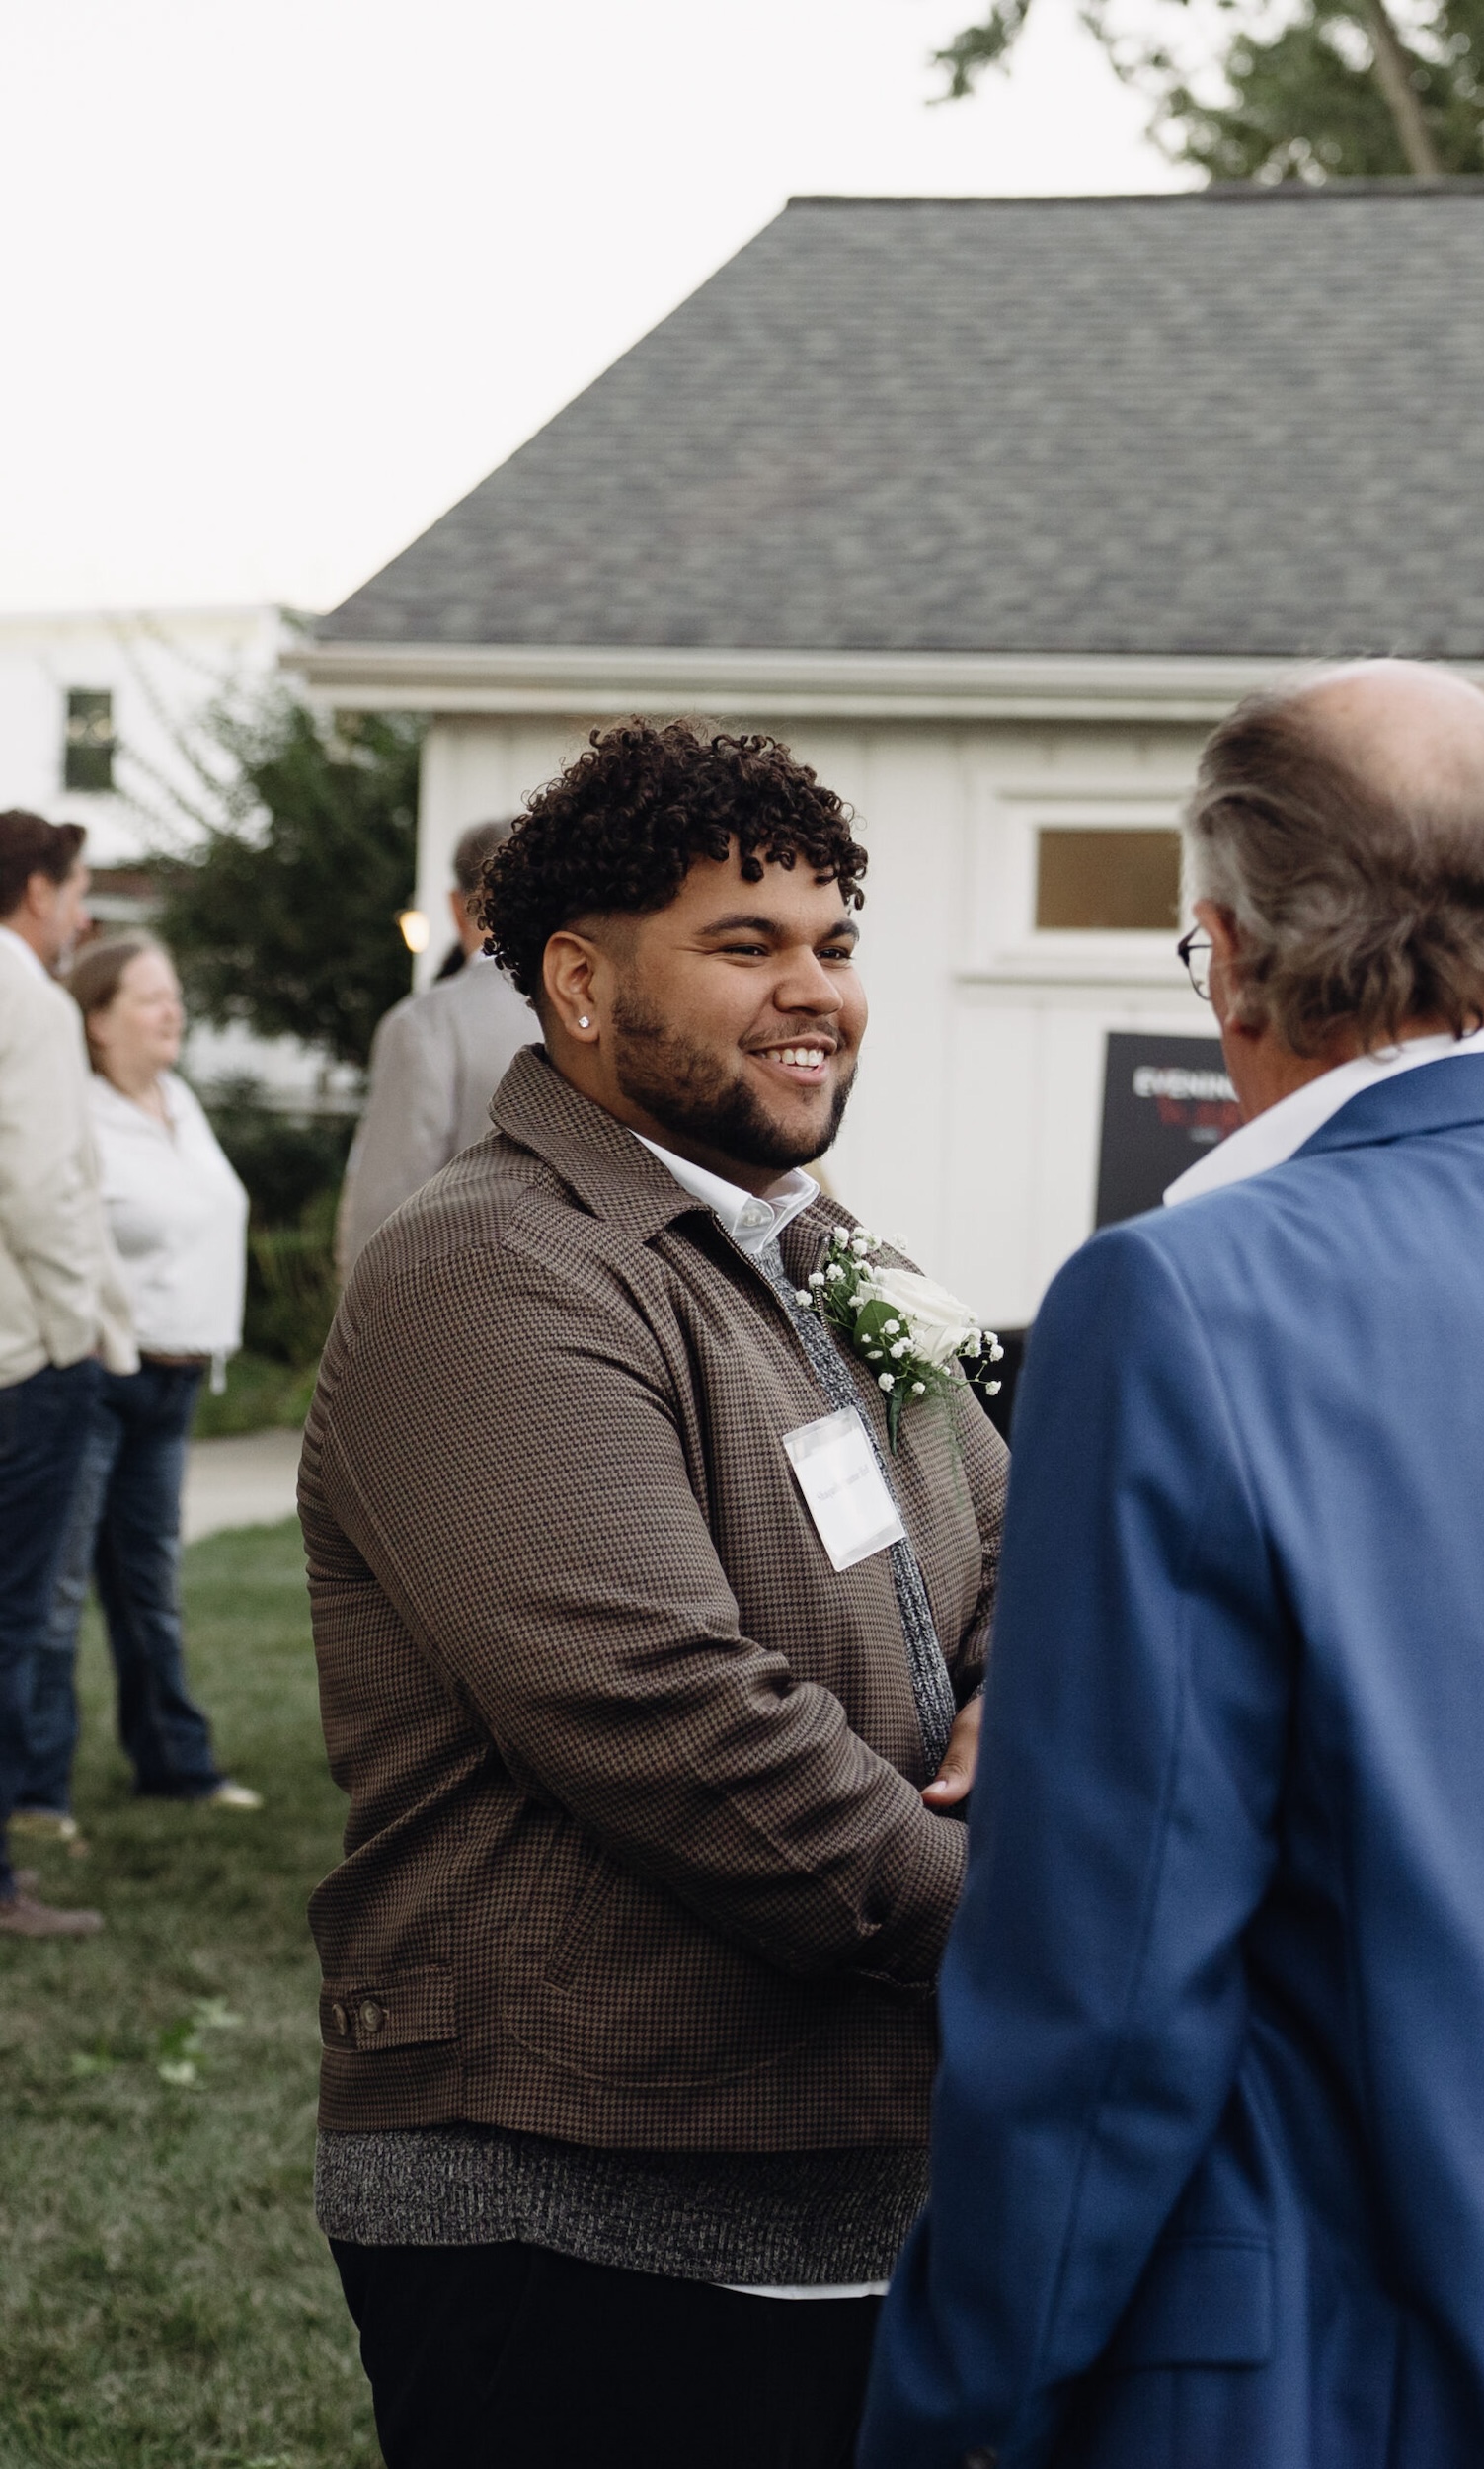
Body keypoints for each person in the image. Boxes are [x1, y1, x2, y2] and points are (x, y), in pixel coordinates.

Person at [859, 660, 1484, 2469]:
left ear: (1225, 946)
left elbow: (1106, 1982)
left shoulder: (1175, 1301)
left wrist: (955, 2403)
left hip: (1308, 2372)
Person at [301, 719, 1005, 2469]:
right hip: (583, 2217)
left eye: (835, 944)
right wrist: (1029, 1925)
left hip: (864, 2189)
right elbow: (666, 1715)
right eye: (744, 944)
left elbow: (1013, 1552)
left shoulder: (830, 1256)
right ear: (584, 984)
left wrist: (1025, 1699)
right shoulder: (490, 1271)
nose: (814, 993)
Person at [11, 934, 263, 1831]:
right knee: (56, 1593)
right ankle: (37, 1796)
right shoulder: (72, 1110)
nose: (173, 1012)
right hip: (102, 1377)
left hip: (178, 1380)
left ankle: (175, 1766)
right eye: (150, 998)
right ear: (97, 1021)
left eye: (174, 995)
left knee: (149, 1585)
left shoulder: (179, 1102)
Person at [0, 811, 131, 1939]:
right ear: (37, 889)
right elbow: (40, 1187)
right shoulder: (28, 1001)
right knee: (9, 1619)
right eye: (78, 888)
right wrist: (72, 1333)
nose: (83, 914)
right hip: (20, 1360)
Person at [336, 818, 536, 1277]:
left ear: (456, 905)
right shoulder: (594, 1016)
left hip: (459, 1309)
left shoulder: (427, 1025)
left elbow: (386, 1208)